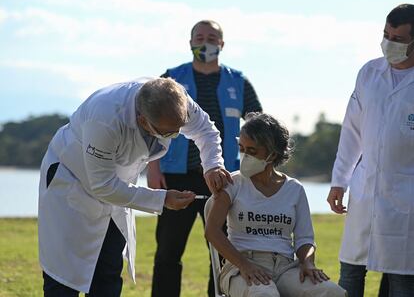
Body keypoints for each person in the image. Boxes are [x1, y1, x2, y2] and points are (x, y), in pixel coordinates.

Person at [38, 77, 233, 296]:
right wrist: (162, 199)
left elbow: (205, 130)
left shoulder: (175, 97)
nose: (175, 136)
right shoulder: (105, 118)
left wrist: (212, 165)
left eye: (179, 128)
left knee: (109, 271)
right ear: (142, 121)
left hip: (117, 189)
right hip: (72, 182)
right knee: (64, 278)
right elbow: (103, 186)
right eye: (169, 133)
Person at [149, 20, 262, 297]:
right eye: (199, 37)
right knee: (168, 250)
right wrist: (153, 167)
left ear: (222, 44)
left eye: (212, 37)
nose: (205, 42)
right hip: (176, 176)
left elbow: (258, 127)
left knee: (223, 250)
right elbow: (149, 124)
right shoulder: (171, 78)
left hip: (224, 179)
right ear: (190, 43)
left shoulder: (239, 82)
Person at [205, 112, 346, 297]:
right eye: (242, 149)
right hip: (241, 266)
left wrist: (307, 263)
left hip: (286, 268)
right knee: (264, 294)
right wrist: (245, 265)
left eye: (252, 151)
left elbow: (305, 239)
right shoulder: (233, 183)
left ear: (272, 154)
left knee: (332, 292)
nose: (245, 156)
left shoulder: (294, 189)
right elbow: (212, 231)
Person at [327, 3, 414, 297]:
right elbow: (351, 132)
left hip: (407, 199)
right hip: (364, 191)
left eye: (399, 39)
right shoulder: (368, 73)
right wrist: (340, 180)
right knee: (351, 272)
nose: (389, 44)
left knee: (403, 280)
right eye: (386, 35)